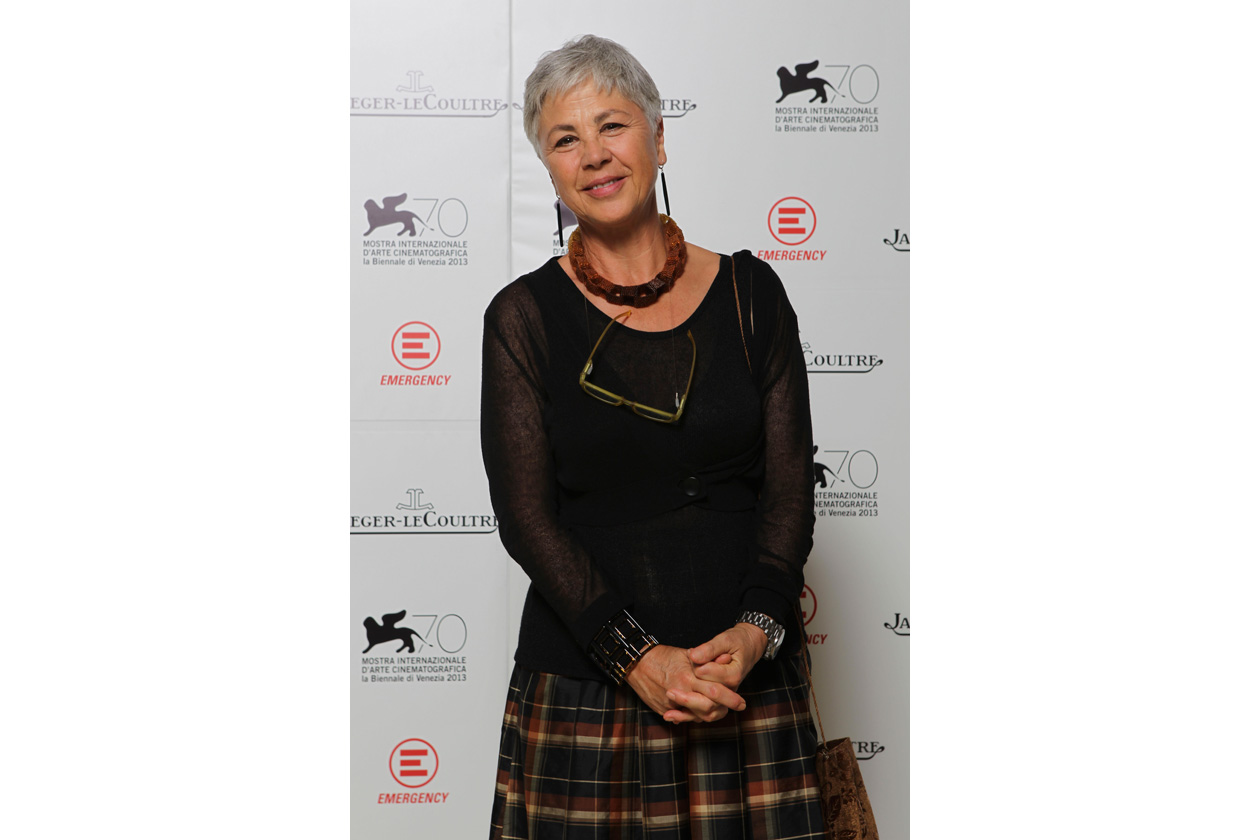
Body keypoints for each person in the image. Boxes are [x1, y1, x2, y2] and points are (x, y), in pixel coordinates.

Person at [481, 34, 823, 839]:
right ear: (550, 169)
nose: (594, 155)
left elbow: (789, 490)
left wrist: (757, 631)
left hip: (744, 682)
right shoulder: (522, 318)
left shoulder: (751, 294)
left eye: (613, 125)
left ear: (659, 138)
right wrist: (637, 658)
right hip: (588, 693)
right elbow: (527, 519)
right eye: (566, 139)